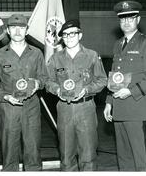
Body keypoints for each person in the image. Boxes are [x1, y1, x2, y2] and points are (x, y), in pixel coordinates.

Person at [103, 0, 146, 171]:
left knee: (141, 157)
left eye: (131, 18)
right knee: (124, 158)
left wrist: (130, 91)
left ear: (138, 20)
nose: (126, 22)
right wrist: (109, 102)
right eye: (123, 19)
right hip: (119, 110)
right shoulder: (118, 44)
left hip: (137, 109)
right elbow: (115, 76)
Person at [46, 19, 107, 171]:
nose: (69, 37)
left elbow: (102, 80)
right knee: (66, 155)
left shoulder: (92, 56)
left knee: (88, 154)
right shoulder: (55, 58)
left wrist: (87, 89)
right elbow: (47, 81)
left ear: (80, 35)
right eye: (65, 35)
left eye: (73, 33)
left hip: (86, 108)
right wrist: (57, 90)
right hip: (64, 108)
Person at [0, 14, 48, 171]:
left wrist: (37, 83)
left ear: (27, 30)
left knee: (33, 150)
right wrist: (5, 96)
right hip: (9, 108)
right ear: (8, 31)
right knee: (9, 152)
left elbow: (44, 78)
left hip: (31, 107)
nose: (17, 31)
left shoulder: (36, 53)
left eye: (21, 28)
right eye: (13, 27)